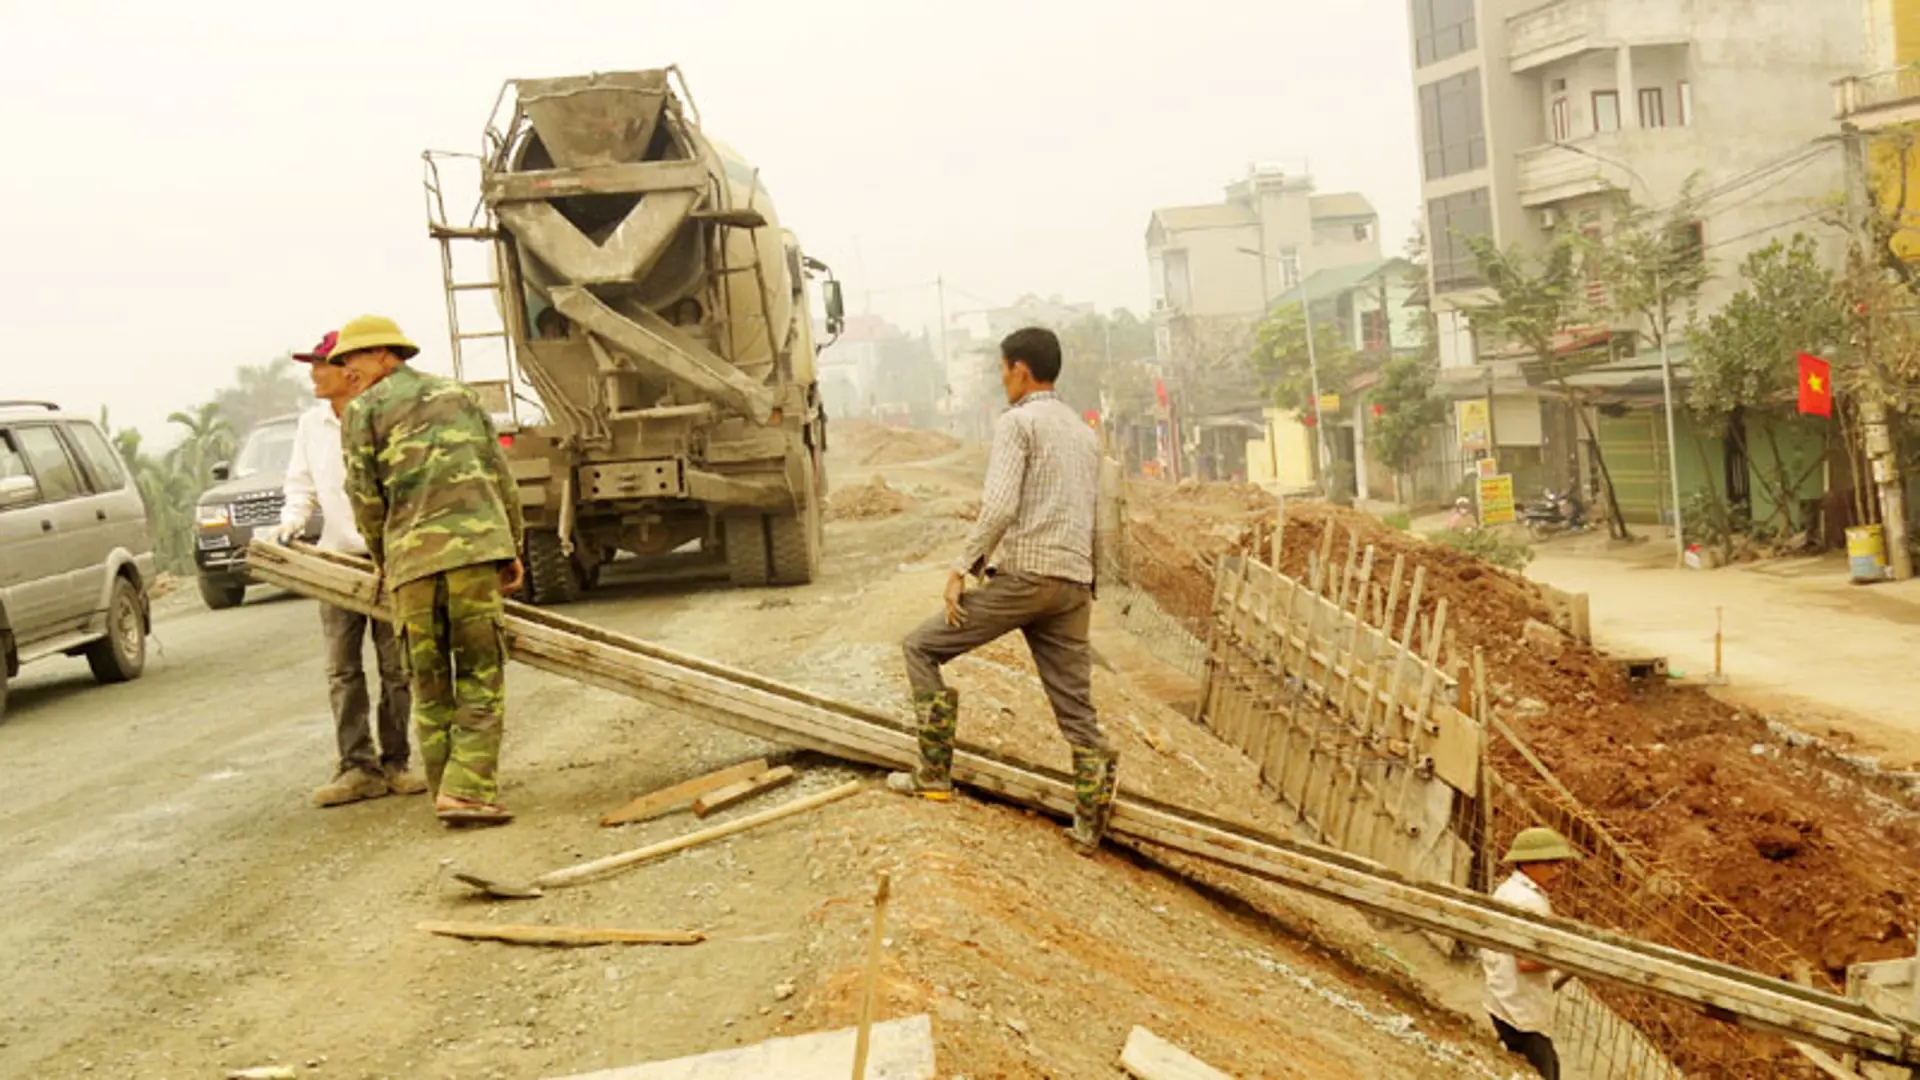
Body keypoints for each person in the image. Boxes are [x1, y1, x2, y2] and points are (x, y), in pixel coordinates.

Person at [889, 326, 1117, 854]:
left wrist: (960, 568)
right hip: (1074, 582)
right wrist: (1088, 580)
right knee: (1077, 710)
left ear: (1019, 369)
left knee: (920, 647)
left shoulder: (1018, 424)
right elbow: (1097, 518)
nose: (1001, 380)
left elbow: (998, 507)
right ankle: (1090, 826)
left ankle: (933, 776)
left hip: (1027, 578)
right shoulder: (1085, 435)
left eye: (1002, 369)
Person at [333, 314, 527, 827]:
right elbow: (498, 473)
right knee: (481, 675)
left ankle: (450, 790)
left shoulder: (361, 413)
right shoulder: (459, 395)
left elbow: (364, 496)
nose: (345, 369)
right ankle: (464, 792)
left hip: (412, 566)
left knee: (430, 682)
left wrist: (383, 558)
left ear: (384, 355)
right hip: (475, 555)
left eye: (351, 358)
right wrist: (512, 545)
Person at [278, 329, 426, 807]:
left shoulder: (384, 415)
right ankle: (356, 765)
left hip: (388, 556)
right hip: (337, 557)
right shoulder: (311, 424)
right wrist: (291, 525)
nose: (313, 375)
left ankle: (396, 761)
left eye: (321, 364)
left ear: (348, 369)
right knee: (342, 668)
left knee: (396, 667)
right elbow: (301, 484)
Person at [1483, 826, 1583, 1078]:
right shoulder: (1530, 902)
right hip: (1521, 1010)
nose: (1558, 872)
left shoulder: (1510, 889)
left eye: (1559, 864)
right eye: (1551, 864)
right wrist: (1572, 956)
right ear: (1527, 865)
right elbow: (1526, 962)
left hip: (1502, 999)